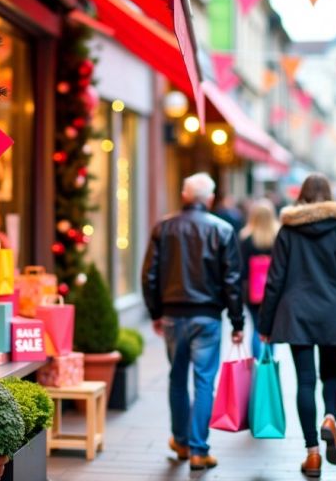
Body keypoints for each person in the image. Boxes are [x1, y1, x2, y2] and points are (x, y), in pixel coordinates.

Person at [258, 174, 336, 478]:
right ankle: (330, 418)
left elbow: (275, 281)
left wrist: (265, 322)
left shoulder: (288, 231)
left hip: (295, 313)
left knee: (305, 380)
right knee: (331, 374)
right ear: (329, 195)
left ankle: (311, 455)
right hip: (333, 313)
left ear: (302, 196)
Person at [141, 172, 244, 471]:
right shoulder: (223, 230)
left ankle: (181, 441)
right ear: (209, 199)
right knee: (203, 382)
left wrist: (155, 312)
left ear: (185, 196)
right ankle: (199, 450)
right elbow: (232, 281)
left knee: (177, 377)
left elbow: (149, 274)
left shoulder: (164, 227)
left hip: (173, 315)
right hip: (208, 317)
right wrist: (237, 322)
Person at [239, 199, 279, 356]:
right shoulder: (278, 237)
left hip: (252, 292)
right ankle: (269, 364)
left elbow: (241, 269)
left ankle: (257, 364)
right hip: (274, 291)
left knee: (255, 327)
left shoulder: (245, 238)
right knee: (271, 328)